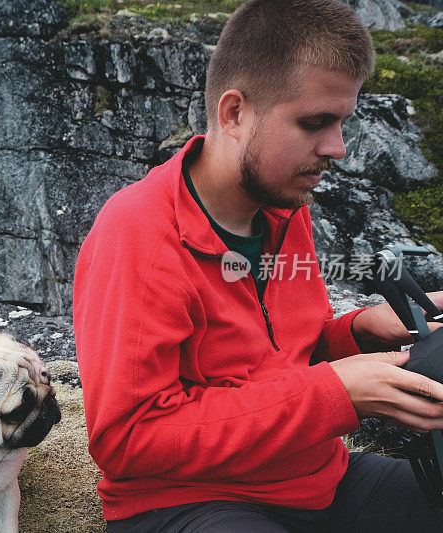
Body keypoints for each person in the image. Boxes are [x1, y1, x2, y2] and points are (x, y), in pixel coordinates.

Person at [72, 0, 443, 531]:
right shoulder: (137, 233)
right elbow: (127, 440)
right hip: (188, 502)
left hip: (315, 481)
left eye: (341, 123)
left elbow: (288, 356)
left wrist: (363, 333)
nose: (336, 148)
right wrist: (333, 394)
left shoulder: (286, 209)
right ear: (234, 113)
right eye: (314, 122)